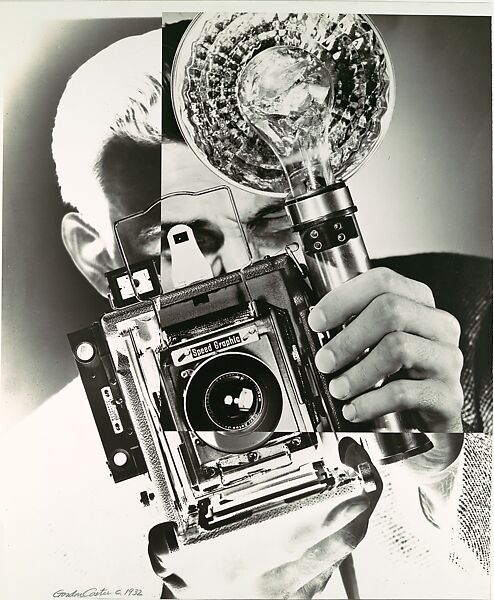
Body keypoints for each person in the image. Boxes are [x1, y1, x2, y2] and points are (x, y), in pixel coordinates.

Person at [1, 22, 490, 600]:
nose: (242, 269)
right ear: (97, 256)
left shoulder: (472, 323)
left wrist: (448, 482)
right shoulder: (30, 503)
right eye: (178, 240)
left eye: (275, 222)